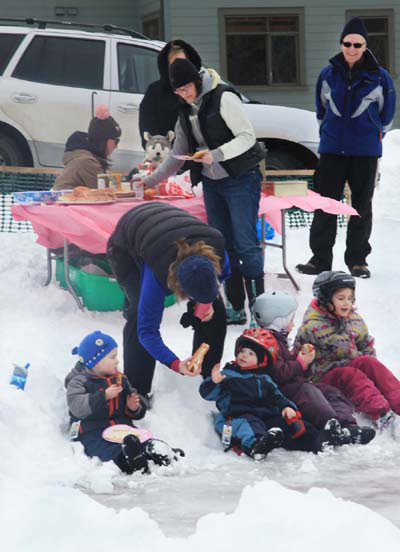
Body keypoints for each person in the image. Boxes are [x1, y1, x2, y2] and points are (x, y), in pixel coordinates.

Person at [134, 58, 266, 322]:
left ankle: (259, 311)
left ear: (195, 81)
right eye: (178, 92)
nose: (183, 95)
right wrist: (151, 180)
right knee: (222, 245)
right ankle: (236, 307)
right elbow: (178, 154)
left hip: (240, 177)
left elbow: (247, 136)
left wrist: (216, 154)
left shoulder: (223, 97)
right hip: (213, 183)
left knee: (246, 245)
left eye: (186, 89)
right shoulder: (184, 110)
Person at [296, 17, 396, 279]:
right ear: (341, 44)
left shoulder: (380, 78)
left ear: (365, 46)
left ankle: (358, 260)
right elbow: (321, 109)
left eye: (357, 44)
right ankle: (320, 259)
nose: (351, 48)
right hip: (332, 150)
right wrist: (329, 133)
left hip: (365, 151)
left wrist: (372, 136)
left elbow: (387, 115)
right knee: (325, 204)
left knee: (361, 206)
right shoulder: (328, 74)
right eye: (347, 43)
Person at [107, 202, 231, 396]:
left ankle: (207, 380)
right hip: (128, 240)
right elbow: (147, 332)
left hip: (168, 224)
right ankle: (137, 391)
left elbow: (220, 279)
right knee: (138, 314)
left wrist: (205, 304)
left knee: (216, 311)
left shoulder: (218, 248)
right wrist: (175, 364)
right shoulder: (157, 275)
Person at [199, 328, 363, 460]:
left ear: (261, 361)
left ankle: (320, 440)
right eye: (243, 351)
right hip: (236, 417)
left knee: (293, 425)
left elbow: (278, 397)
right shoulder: (228, 374)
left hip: (265, 417)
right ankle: (256, 447)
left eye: (250, 354)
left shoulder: (265, 379)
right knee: (249, 426)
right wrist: (214, 381)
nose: (244, 356)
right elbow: (208, 394)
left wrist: (286, 407)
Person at [252, 290, 375, 444]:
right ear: (279, 320)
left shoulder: (278, 340)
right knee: (309, 392)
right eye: (290, 318)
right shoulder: (266, 343)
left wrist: (299, 360)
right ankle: (331, 426)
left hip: (294, 385)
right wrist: (300, 363)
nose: (293, 323)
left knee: (330, 392)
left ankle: (347, 425)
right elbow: (277, 373)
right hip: (282, 391)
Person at [294, 271, 400, 433]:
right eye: (341, 298)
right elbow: (297, 359)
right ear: (325, 299)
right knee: (349, 374)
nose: (347, 303)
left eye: (350, 298)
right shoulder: (311, 327)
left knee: (368, 362)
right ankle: (382, 415)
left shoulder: (354, 320)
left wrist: (370, 372)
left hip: (350, 372)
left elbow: (366, 346)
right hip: (324, 380)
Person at [65, 331, 184, 474]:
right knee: (108, 450)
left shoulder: (121, 379)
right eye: (112, 357)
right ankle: (128, 460)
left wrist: (133, 408)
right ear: (95, 362)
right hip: (93, 432)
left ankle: (156, 450)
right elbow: (78, 407)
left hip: (122, 429)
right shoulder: (79, 382)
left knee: (138, 440)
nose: (117, 361)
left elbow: (135, 407)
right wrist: (103, 396)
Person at [139, 39, 202, 150]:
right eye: (174, 64)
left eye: (183, 62)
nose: (179, 68)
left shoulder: (204, 90)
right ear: (166, 66)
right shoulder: (155, 92)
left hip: (202, 157)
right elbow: (147, 129)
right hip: (168, 156)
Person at [53, 105, 121, 190]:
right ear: (104, 139)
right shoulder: (86, 162)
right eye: (116, 141)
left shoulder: (87, 157)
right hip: (67, 201)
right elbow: (104, 191)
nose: (116, 146)